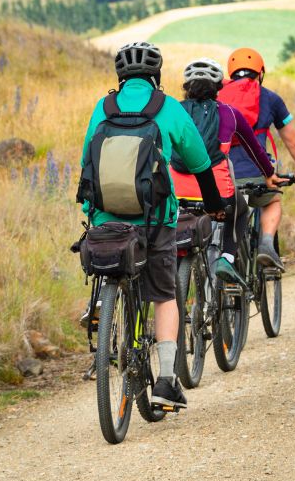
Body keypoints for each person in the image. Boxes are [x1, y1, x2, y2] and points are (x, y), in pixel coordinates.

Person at [79, 41, 224, 411]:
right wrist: (213, 205)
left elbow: (86, 163)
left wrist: (91, 210)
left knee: (110, 259)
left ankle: (100, 306)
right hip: (156, 220)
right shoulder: (168, 108)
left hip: (106, 219)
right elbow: (199, 162)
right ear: (156, 75)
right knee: (164, 295)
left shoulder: (104, 107)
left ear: (120, 77)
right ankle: (165, 380)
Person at [169, 58, 284, 285]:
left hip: (178, 191)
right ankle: (227, 259)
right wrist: (269, 174)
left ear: (186, 86)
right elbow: (255, 150)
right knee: (240, 211)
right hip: (217, 192)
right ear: (219, 86)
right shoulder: (229, 113)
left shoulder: (174, 111)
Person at [220, 47, 295, 272]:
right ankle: (266, 244)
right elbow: (293, 142)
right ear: (260, 73)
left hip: (222, 176)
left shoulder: (217, 96)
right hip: (257, 174)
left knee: (225, 211)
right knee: (272, 201)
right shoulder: (271, 98)